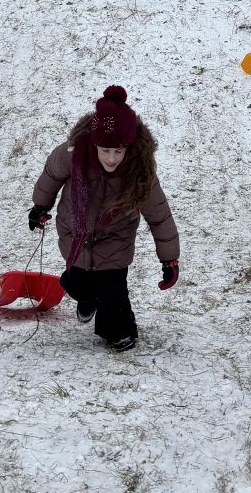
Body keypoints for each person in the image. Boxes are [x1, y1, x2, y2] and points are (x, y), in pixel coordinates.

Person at [28, 85, 179, 353]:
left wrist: (169, 259)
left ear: (128, 147)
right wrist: (40, 207)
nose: (111, 158)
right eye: (105, 150)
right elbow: (51, 176)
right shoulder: (72, 154)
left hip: (115, 238)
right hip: (75, 234)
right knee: (76, 282)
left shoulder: (139, 170)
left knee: (113, 291)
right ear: (94, 143)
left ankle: (120, 331)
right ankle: (88, 298)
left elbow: (159, 214)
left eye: (118, 151)